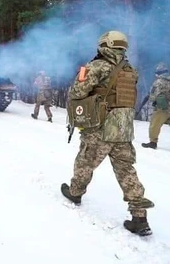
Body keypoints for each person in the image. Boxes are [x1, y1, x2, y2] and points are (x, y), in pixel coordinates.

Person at [61, 30, 155, 236]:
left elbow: (77, 92)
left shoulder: (96, 66)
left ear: (105, 44)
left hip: (101, 127)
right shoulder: (130, 70)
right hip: (124, 129)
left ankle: (75, 193)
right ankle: (139, 218)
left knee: (85, 162)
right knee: (126, 171)